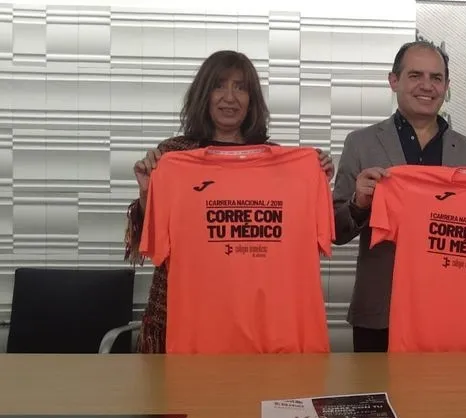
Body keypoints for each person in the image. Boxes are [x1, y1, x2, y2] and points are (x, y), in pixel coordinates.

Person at [332, 40, 466, 352]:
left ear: (446, 86)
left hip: (452, 311)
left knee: (445, 386)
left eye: (436, 78)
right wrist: (358, 205)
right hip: (382, 311)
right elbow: (335, 231)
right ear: (394, 80)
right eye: (415, 75)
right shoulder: (361, 143)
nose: (427, 86)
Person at [124, 49, 334, 353]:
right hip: (186, 319)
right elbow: (153, 238)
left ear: (252, 100)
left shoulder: (281, 162)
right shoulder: (173, 156)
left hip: (262, 323)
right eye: (219, 86)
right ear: (203, 94)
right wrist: (148, 192)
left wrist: (314, 175)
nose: (230, 97)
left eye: (241, 87)